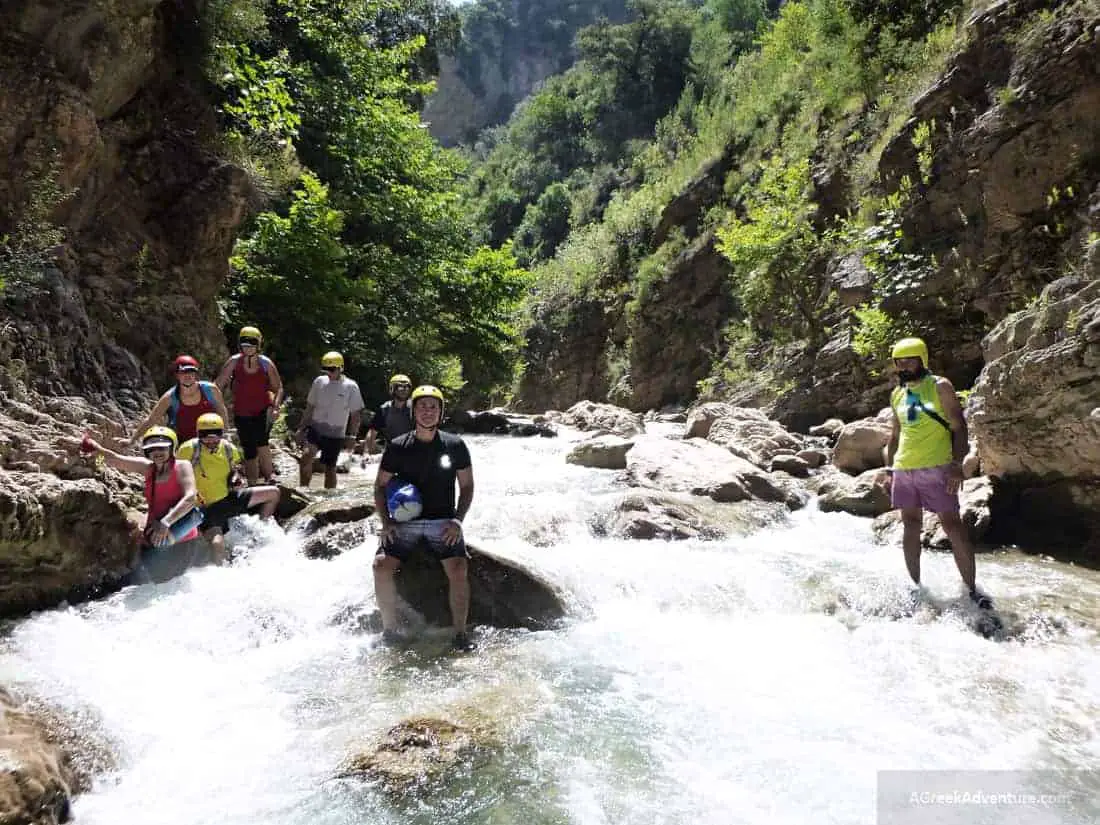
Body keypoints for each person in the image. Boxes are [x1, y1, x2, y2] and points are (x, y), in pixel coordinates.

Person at [876, 337, 992, 609]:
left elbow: (959, 427)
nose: (903, 366)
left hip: (937, 467)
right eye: (899, 362)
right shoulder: (897, 395)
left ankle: (972, 590)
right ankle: (915, 587)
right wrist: (889, 469)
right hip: (904, 468)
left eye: (909, 360)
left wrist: (956, 465)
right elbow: (896, 435)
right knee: (910, 525)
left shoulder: (940, 386)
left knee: (952, 525)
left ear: (922, 359)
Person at [372, 384, 476, 651]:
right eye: (422, 406)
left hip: (443, 520)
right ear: (413, 411)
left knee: (458, 567)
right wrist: (386, 523)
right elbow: (380, 486)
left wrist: (457, 520)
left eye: (433, 406)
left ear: (440, 412)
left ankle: (460, 634)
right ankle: (390, 631)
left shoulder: (455, 445)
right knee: (381, 565)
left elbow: (467, 487)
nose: (427, 411)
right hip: (405, 522)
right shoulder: (397, 446)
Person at [79, 426, 202, 581]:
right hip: (153, 537)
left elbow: (191, 497)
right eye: (152, 449)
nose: (157, 452)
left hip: (181, 537)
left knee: (169, 585)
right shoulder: (147, 467)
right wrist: (91, 449)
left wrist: (166, 522)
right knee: (156, 584)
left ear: (172, 448)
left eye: (162, 448)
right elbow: (115, 460)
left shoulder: (182, 465)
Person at [177, 412, 280, 561]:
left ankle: (259, 532)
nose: (211, 439)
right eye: (205, 435)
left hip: (228, 498)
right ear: (199, 434)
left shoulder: (227, 448)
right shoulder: (188, 450)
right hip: (206, 507)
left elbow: (236, 469)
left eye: (216, 434)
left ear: (221, 433)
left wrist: (236, 478)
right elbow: (176, 475)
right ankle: (221, 576)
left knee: (273, 493)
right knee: (217, 545)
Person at [216, 325, 284, 485]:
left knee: (262, 443)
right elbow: (219, 384)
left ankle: (269, 478)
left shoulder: (265, 363)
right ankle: (253, 483)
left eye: (252, 343)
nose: (248, 346)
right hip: (242, 411)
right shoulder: (234, 362)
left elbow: (278, 387)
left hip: (262, 409)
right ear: (240, 344)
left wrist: (276, 406)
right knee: (249, 448)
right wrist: (213, 402)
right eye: (245, 342)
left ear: (258, 344)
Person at [295, 351, 365, 489]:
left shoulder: (351, 386)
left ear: (341, 368)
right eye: (326, 369)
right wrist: (301, 429)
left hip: (336, 434)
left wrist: (352, 436)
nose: (329, 373)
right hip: (315, 429)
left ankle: (329, 499)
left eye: (332, 369)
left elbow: (356, 414)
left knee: (330, 468)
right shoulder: (319, 382)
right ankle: (303, 490)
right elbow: (310, 407)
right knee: (306, 458)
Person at [130, 355, 229, 444]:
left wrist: (225, 433)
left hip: (211, 440)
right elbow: (151, 420)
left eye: (191, 372)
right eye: (183, 372)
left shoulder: (210, 390)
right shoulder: (170, 397)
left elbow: (221, 410)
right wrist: (132, 440)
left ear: (196, 374)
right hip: (184, 443)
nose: (188, 375)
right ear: (177, 375)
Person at [363, 373, 413, 456]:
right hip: (391, 451)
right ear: (392, 389)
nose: (404, 390)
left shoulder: (415, 409)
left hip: (412, 451)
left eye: (407, 387)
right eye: (400, 387)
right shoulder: (384, 409)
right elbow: (372, 433)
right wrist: (366, 453)